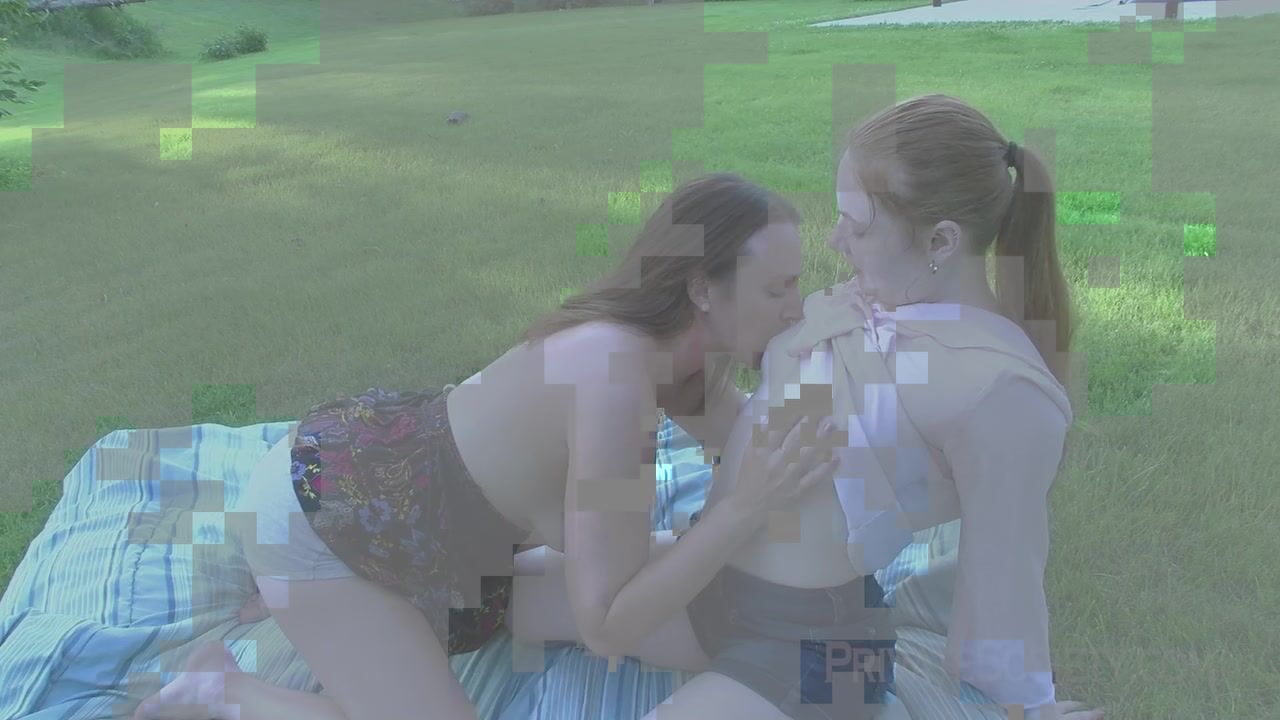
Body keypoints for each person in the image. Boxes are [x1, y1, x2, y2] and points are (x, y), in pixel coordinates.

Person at [132, 173, 840, 720]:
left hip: (439, 537)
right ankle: (220, 688)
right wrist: (738, 512)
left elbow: (775, 447)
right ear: (703, 289)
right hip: (323, 519)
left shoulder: (681, 365)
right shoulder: (615, 378)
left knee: (711, 587)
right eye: (779, 289)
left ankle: (327, 611)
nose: (796, 308)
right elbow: (606, 625)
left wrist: (843, 340)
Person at [506, 94, 1103, 720]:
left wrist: (1028, 706)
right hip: (713, 578)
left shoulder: (1004, 391)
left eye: (857, 225)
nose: (836, 240)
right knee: (485, 597)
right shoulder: (883, 298)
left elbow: (1005, 572)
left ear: (941, 240)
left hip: (816, 646)